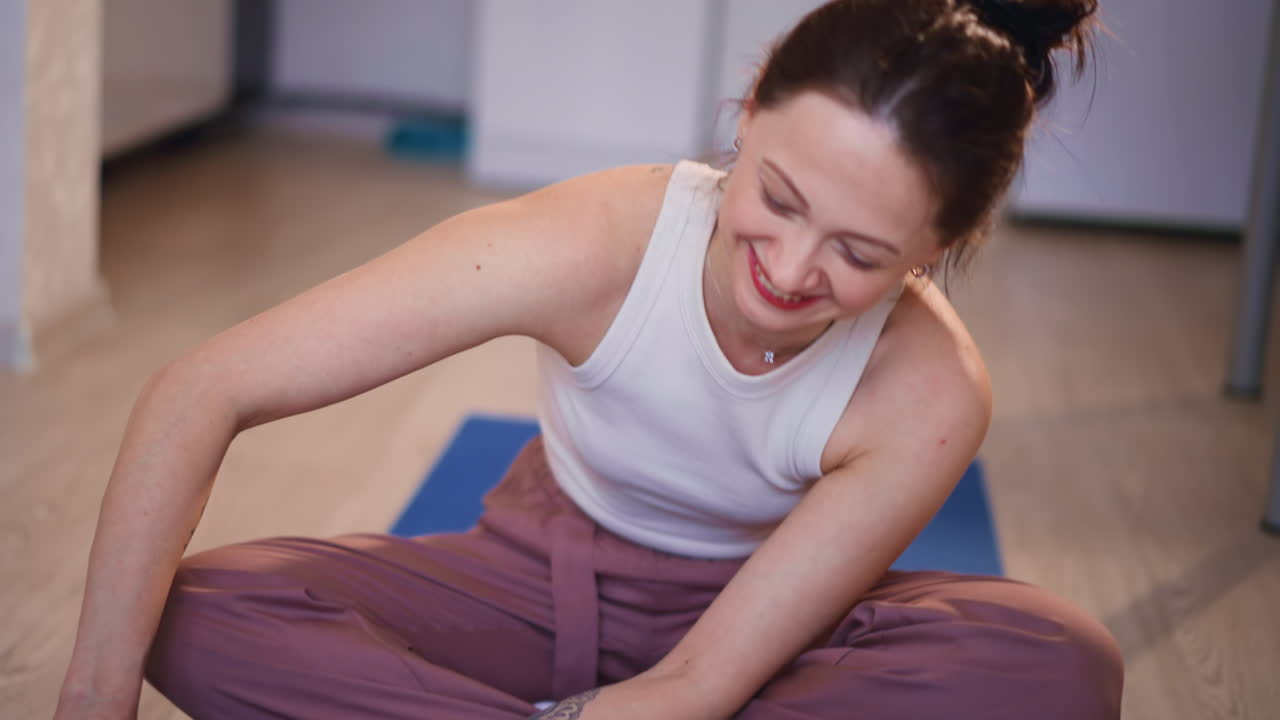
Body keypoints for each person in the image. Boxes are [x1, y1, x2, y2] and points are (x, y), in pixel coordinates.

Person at [54, 0, 1124, 718]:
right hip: (535, 581)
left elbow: (703, 682)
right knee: (192, 612)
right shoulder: (595, 240)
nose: (791, 270)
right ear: (744, 115)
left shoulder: (931, 387)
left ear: (935, 250)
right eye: (777, 200)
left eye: (859, 253)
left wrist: (657, 705)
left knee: (1057, 661)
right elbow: (203, 387)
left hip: (771, 617)